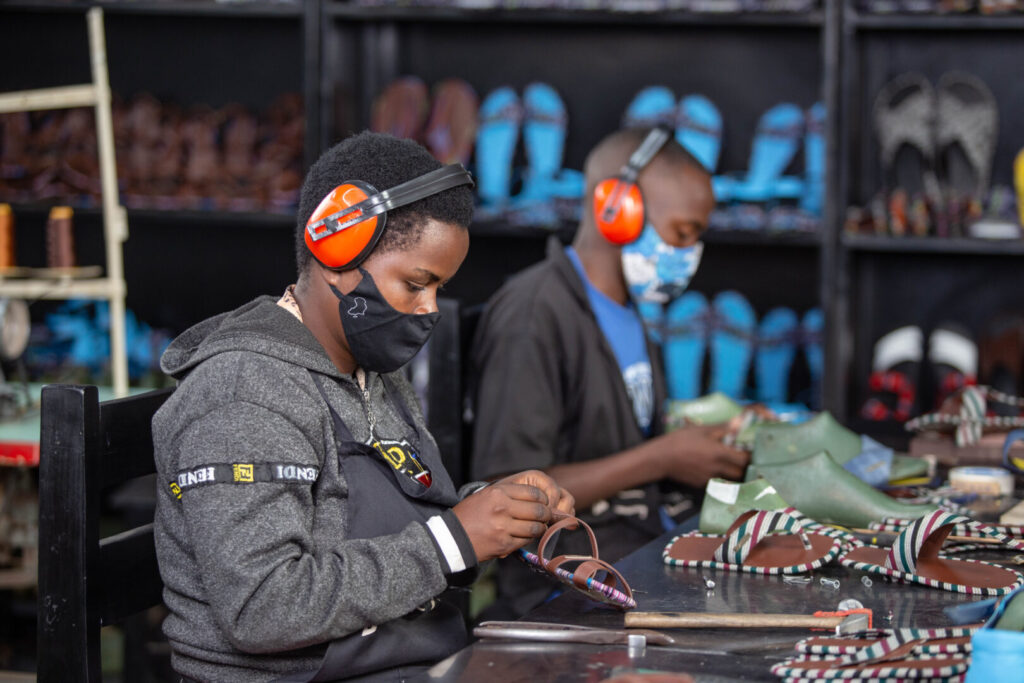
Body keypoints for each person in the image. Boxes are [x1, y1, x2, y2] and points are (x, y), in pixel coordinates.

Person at [152, 131, 574, 682]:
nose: (429, 310)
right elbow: (262, 608)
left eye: (439, 289)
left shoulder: (371, 371)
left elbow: (405, 519)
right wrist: (456, 538)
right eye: (416, 284)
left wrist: (495, 511)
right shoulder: (243, 392)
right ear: (335, 248)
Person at [469, 127, 749, 619]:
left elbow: (622, 442)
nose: (690, 254)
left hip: (636, 550)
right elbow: (505, 488)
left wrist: (700, 443)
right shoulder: (533, 313)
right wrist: (662, 458)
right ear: (616, 208)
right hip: (566, 586)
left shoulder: (628, 311)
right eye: (683, 233)